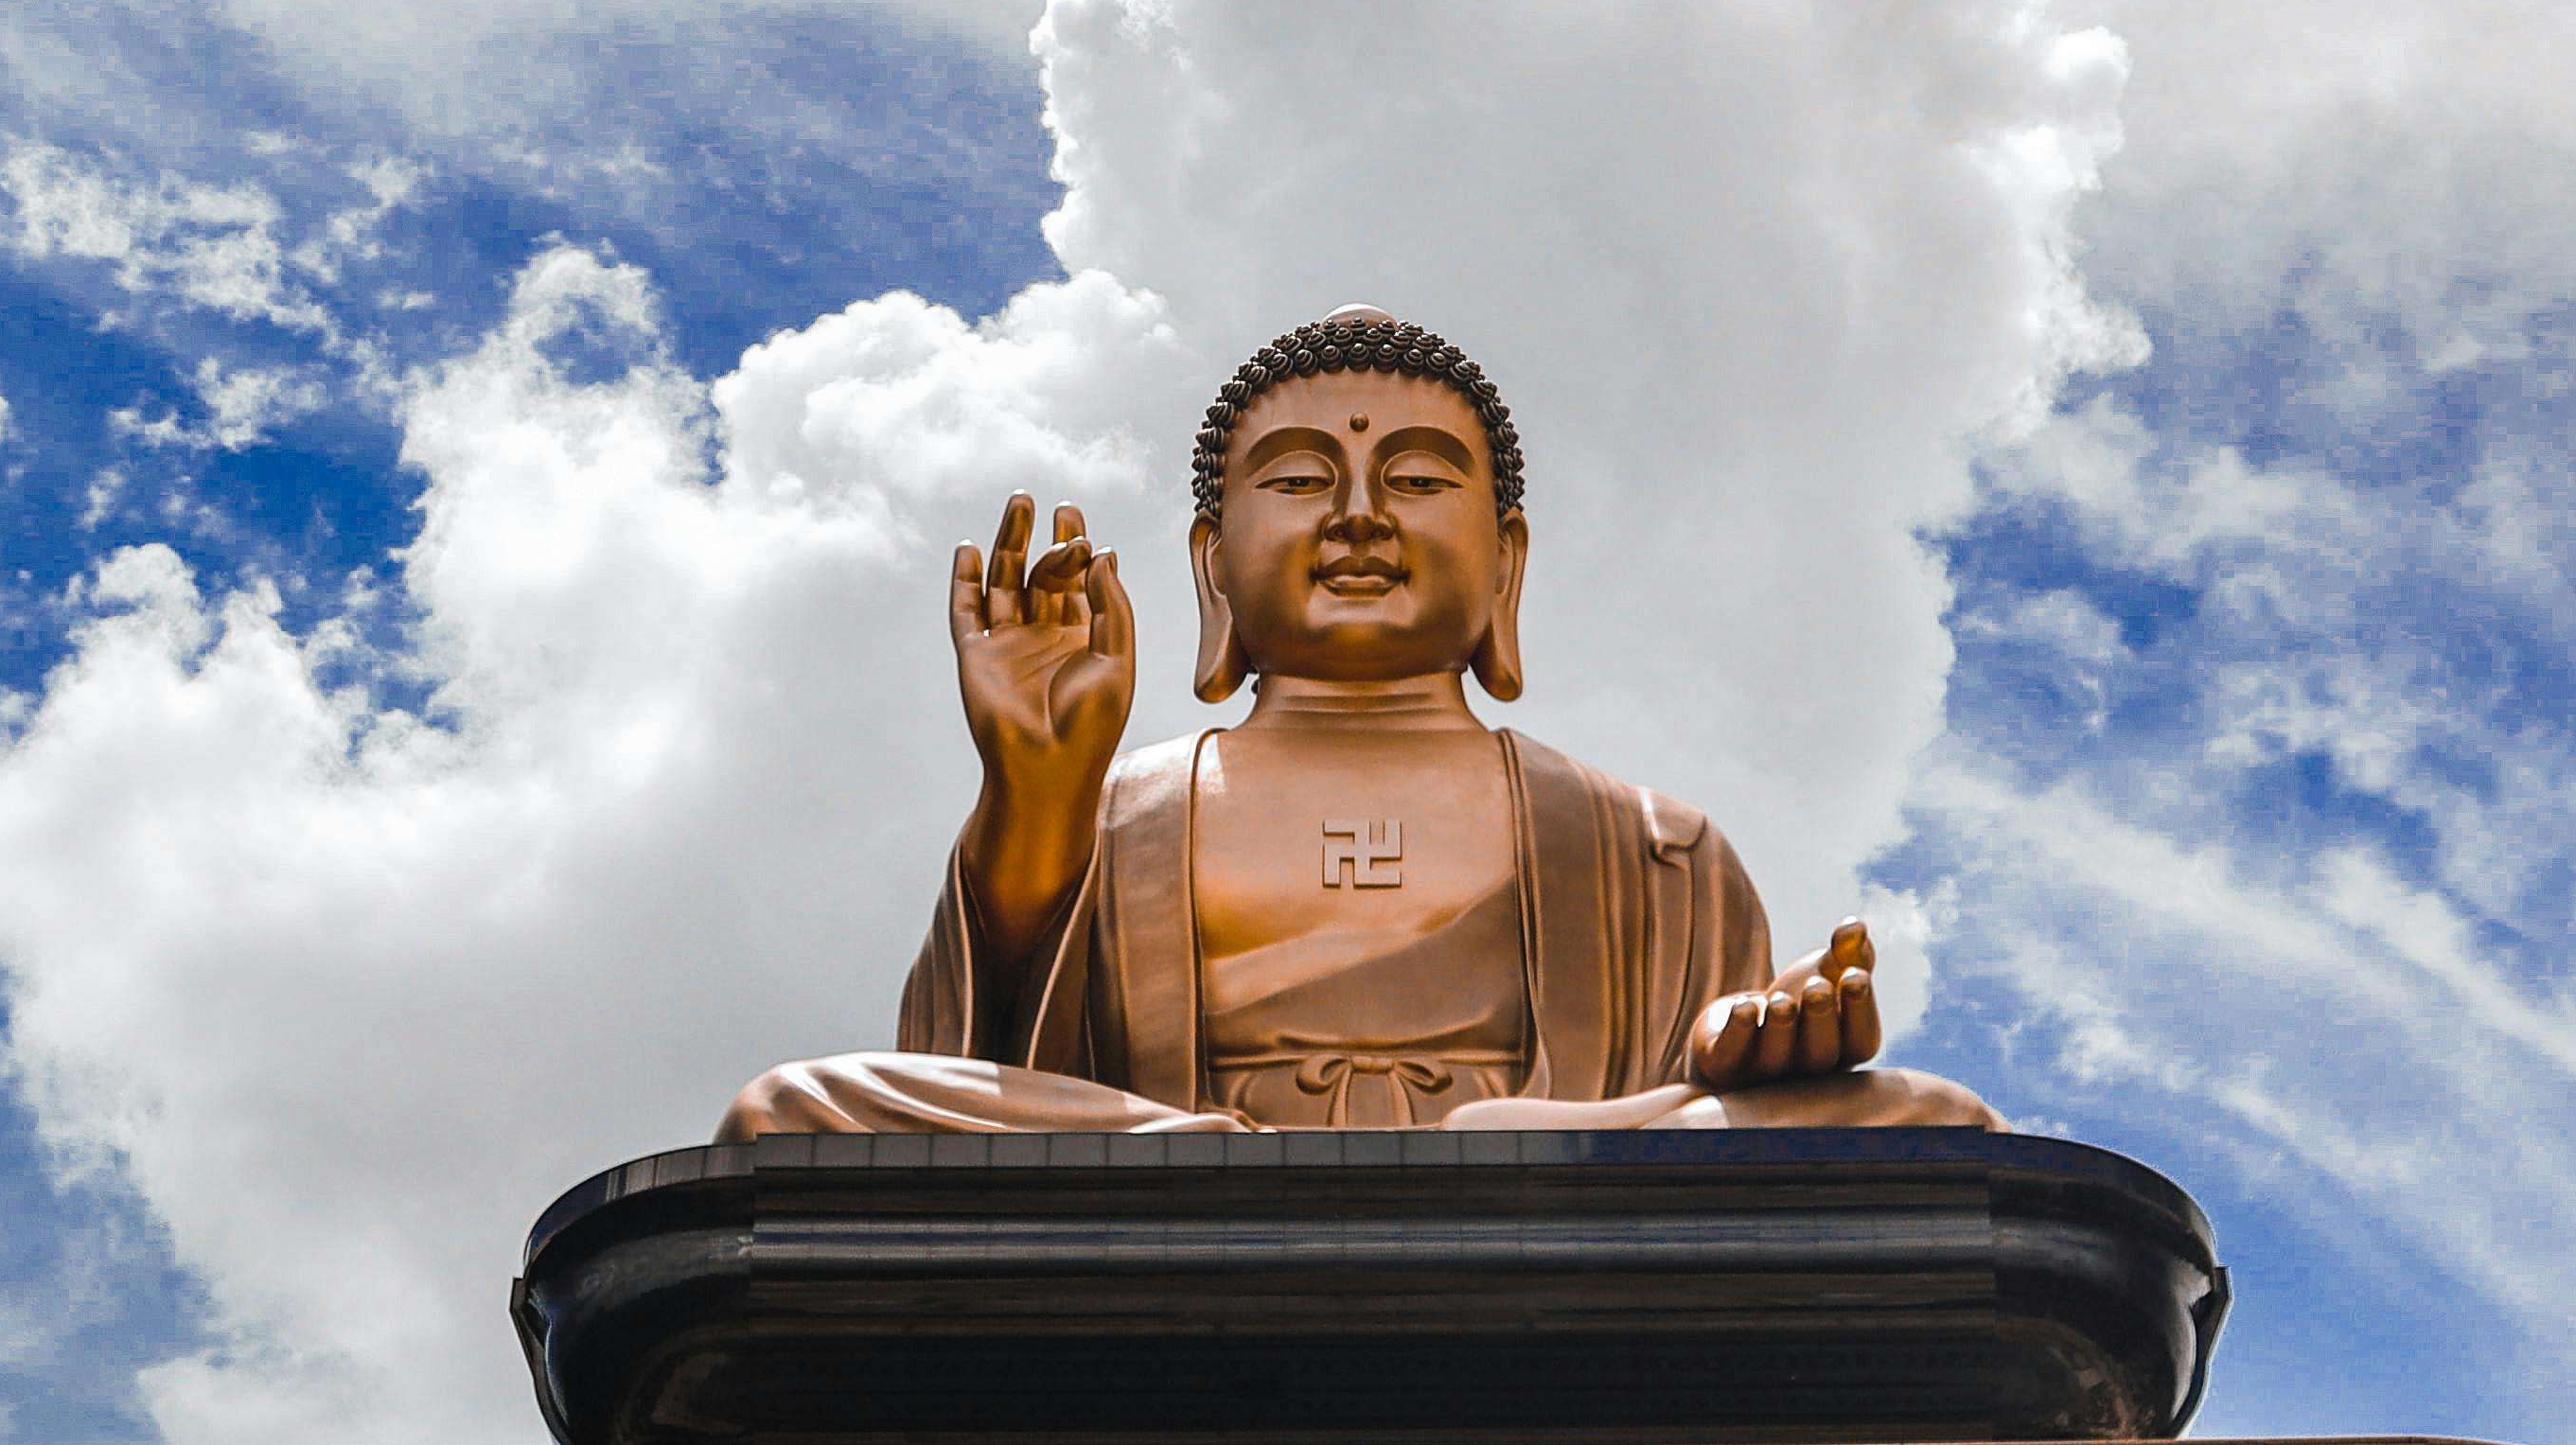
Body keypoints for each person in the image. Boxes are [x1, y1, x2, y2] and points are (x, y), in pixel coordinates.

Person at [718, 308, 1999, 1137]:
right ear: (1212, 567)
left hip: (1554, 1193)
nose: (1358, 518)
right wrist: (1036, 797)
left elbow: (1696, 1112)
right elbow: (973, 1070)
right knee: (796, 1115)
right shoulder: (1107, 817)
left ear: (1506, 563)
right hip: (1171, 1194)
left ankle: (1474, 1160)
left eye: (1420, 480)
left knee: (1930, 1128)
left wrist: (1754, 1058)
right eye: (1296, 481)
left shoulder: (1654, 846)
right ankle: (1207, 1170)